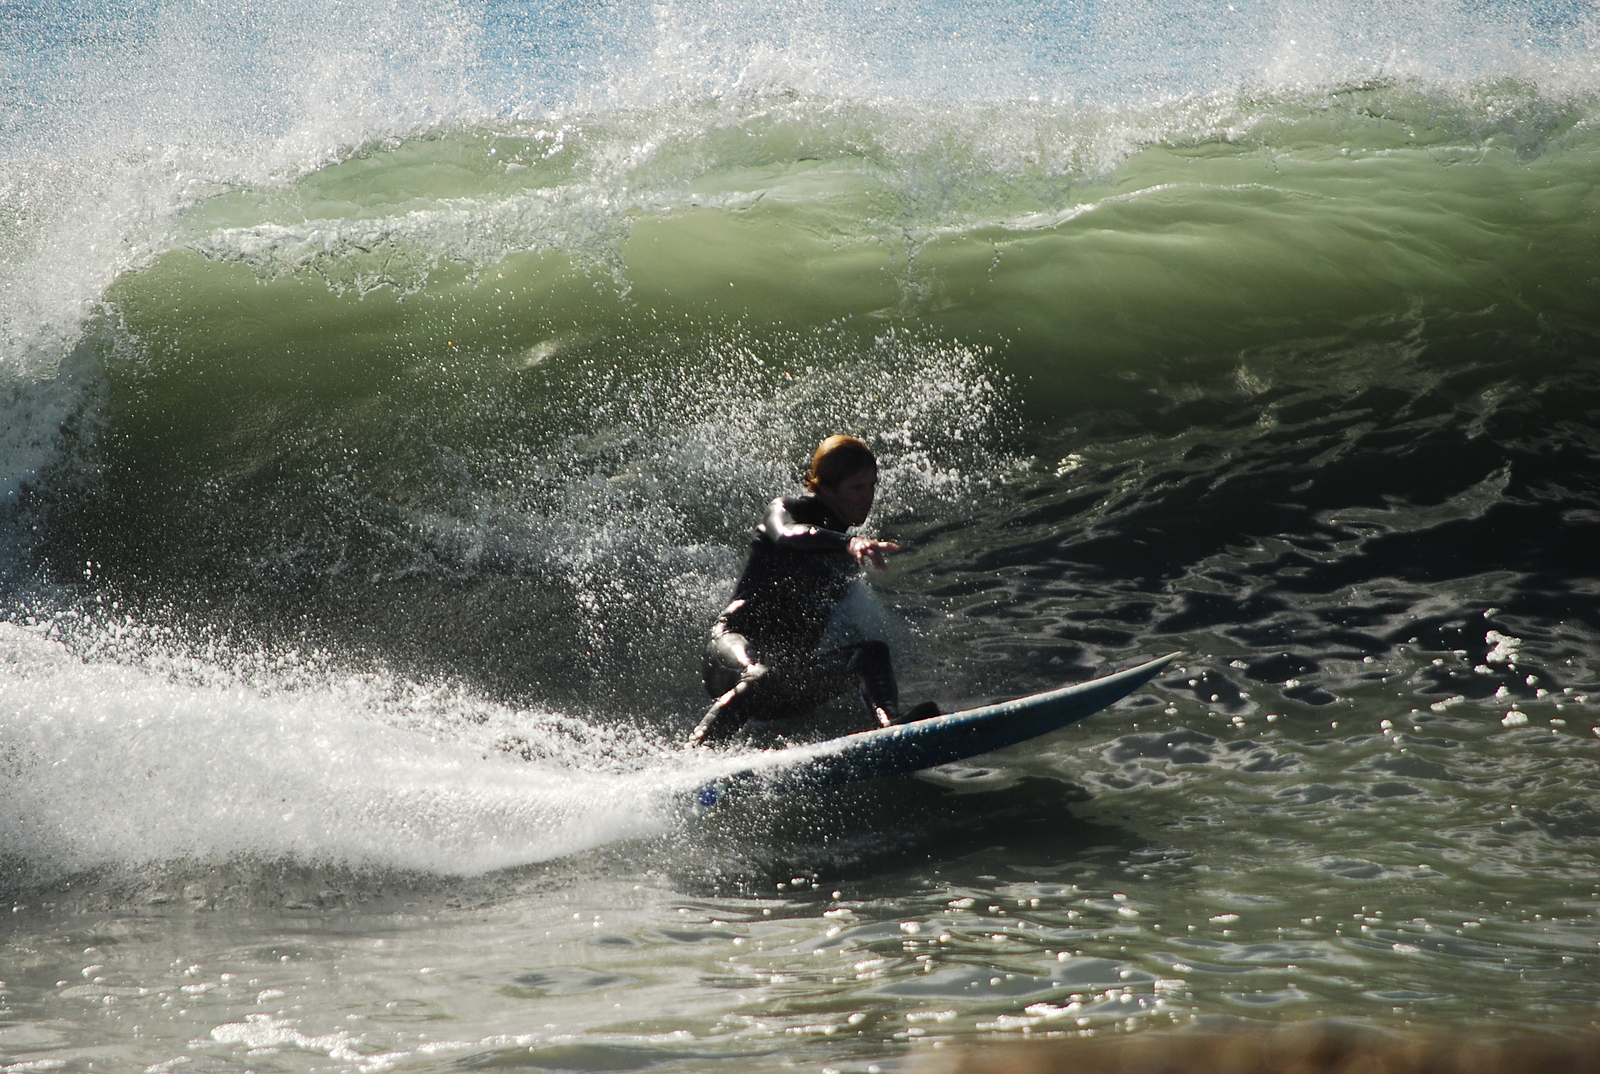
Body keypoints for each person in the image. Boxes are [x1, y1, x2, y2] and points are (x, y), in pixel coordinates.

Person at [686, 434, 937, 748]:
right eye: (858, 488)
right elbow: (788, 536)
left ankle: (889, 728)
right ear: (827, 488)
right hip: (729, 658)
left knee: (871, 655)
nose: (868, 497)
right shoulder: (785, 511)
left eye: (872, 486)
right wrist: (848, 542)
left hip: (782, 686)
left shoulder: (844, 561)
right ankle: (696, 751)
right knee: (760, 675)